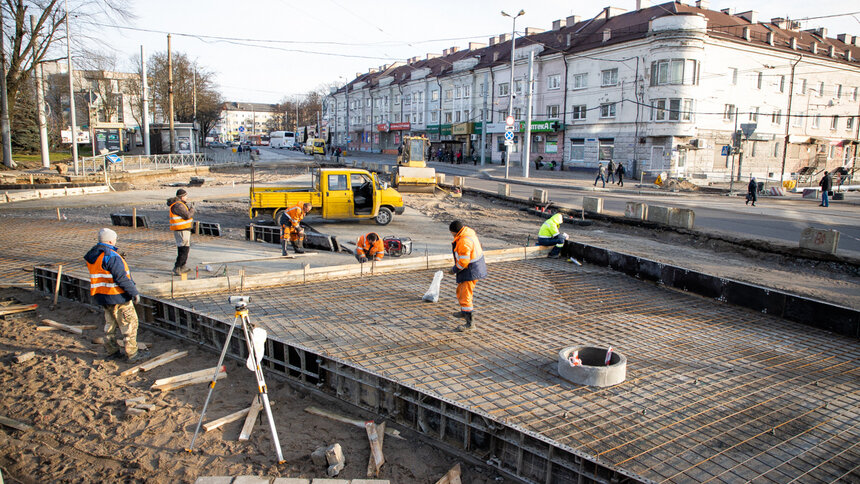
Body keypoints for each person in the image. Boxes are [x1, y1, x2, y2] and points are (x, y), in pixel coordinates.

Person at [84, 228, 147, 362]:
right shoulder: (111, 256)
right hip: (118, 296)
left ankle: (111, 351)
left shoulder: (93, 255)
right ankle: (132, 354)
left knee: (110, 326)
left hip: (102, 296)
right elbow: (121, 278)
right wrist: (134, 292)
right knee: (129, 325)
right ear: (111, 240)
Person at [449, 220, 487, 332]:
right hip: (472, 268)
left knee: (466, 295)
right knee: (461, 291)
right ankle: (464, 312)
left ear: (455, 232)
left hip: (470, 270)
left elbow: (464, 262)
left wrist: (454, 269)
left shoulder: (464, 241)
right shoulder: (467, 233)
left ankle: (470, 324)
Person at [167, 188, 195, 276]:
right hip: (181, 229)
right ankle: (178, 267)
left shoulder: (179, 204)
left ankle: (182, 266)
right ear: (182, 196)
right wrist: (192, 209)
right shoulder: (178, 205)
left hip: (183, 229)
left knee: (185, 248)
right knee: (183, 249)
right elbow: (187, 215)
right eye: (185, 196)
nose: (187, 197)